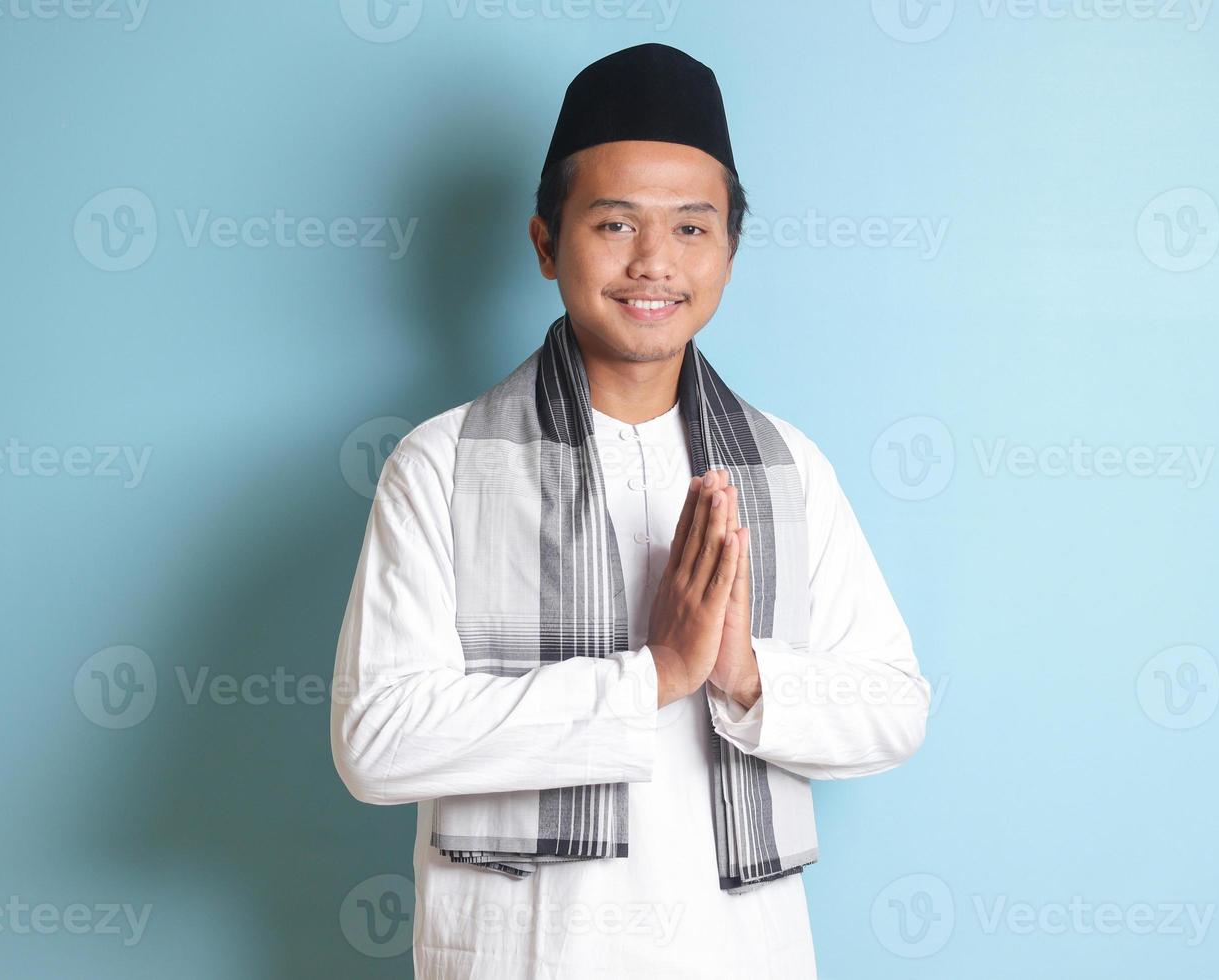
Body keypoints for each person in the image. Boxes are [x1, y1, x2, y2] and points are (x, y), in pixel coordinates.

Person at [330, 42, 931, 980]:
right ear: (545, 243)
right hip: (526, 959)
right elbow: (379, 742)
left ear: (730, 251)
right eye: (615, 224)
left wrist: (741, 675)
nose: (655, 262)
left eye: (693, 229)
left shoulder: (787, 467)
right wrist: (649, 676)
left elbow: (895, 711)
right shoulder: (441, 464)